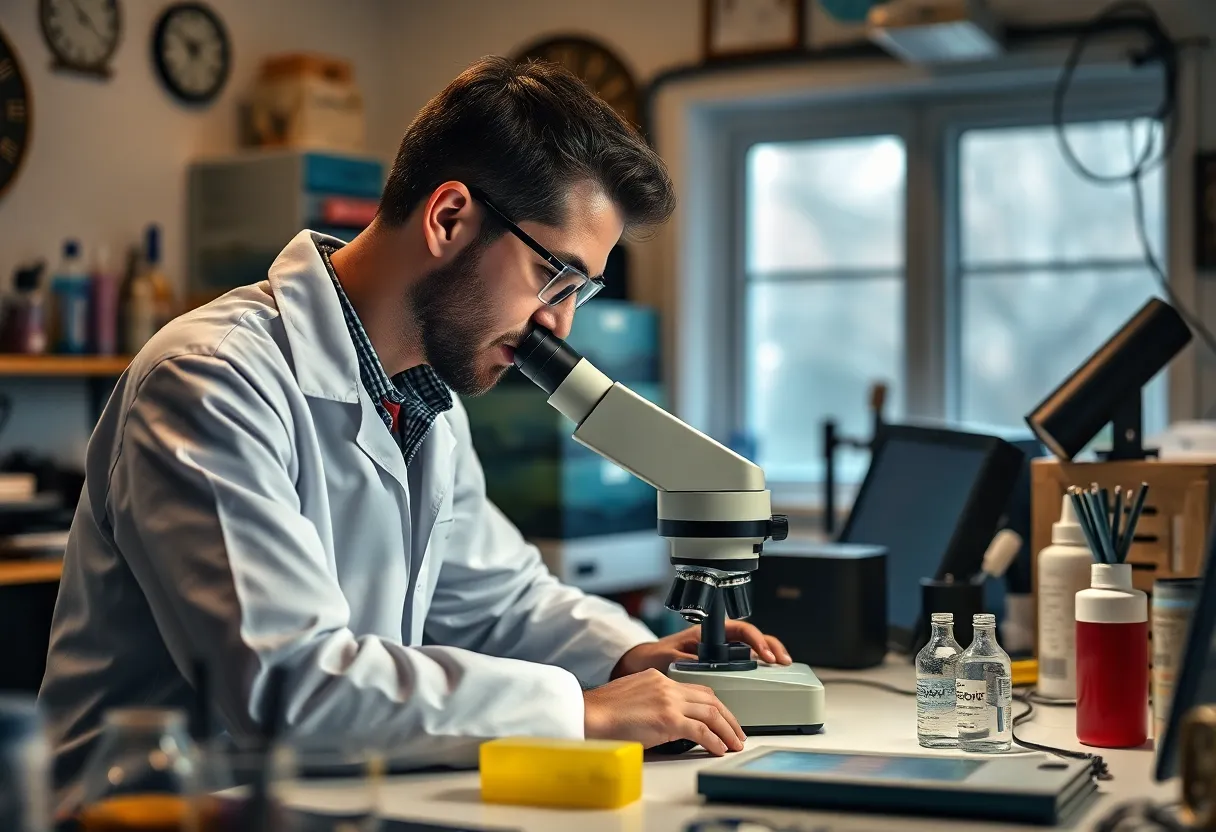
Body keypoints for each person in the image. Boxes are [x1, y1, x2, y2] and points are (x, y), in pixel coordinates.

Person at [38, 56, 791, 809]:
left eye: (580, 292)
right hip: (162, 813)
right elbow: (289, 684)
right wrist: (579, 712)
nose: (561, 323)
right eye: (552, 277)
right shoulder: (211, 379)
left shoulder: (425, 404)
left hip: (321, 801)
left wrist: (627, 653)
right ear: (449, 218)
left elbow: (497, 598)